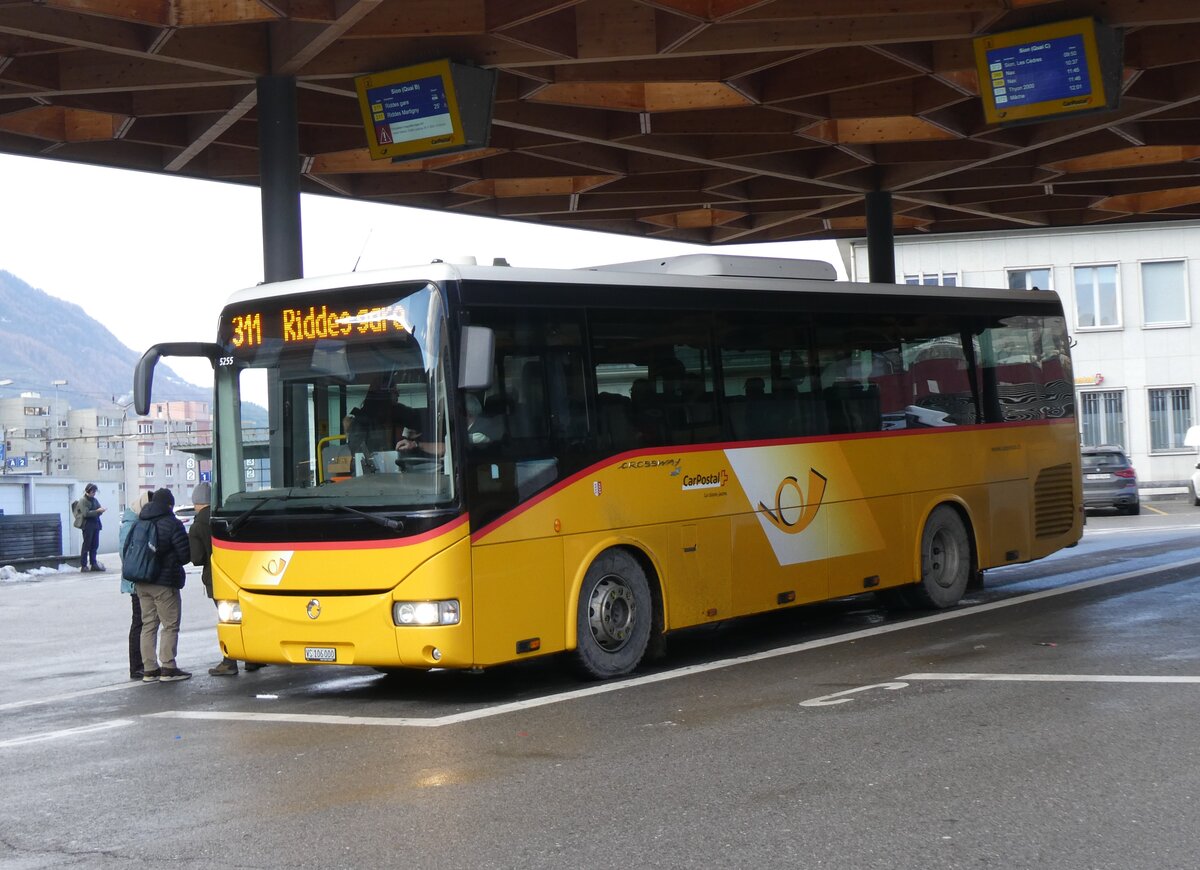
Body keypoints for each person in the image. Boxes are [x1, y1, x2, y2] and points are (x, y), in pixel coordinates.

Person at [189, 481, 264, 676]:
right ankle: (252, 658)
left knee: (227, 618)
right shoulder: (228, 517)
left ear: (198, 502)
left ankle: (229, 661)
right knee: (245, 616)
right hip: (238, 575)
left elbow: (196, 559)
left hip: (215, 577)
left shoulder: (197, 525)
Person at [135, 488, 193, 683]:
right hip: (164, 582)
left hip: (141, 580)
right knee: (170, 625)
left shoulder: (140, 521)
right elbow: (185, 555)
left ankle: (149, 669)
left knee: (148, 624)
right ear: (169, 505)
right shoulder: (172, 524)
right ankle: (168, 667)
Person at [118, 491, 150, 680]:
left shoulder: (133, 522)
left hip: (137, 579)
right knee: (139, 622)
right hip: (135, 581)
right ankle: (136, 665)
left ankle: (142, 664)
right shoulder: (131, 525)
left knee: (143, 621)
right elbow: (126, 556)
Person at [78, 483, 107, 572]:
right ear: (88, 491)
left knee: (95, 545)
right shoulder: (83, 500)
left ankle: (93, 563)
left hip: (96, 524)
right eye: (92, 492)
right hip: (87, 525)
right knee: (87, 545)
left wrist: (100, 510)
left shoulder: (94, 500)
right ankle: (83, 565)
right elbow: (86, 513)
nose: (94, 493)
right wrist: (97, 511)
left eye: (94, 492)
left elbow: (98, 509)